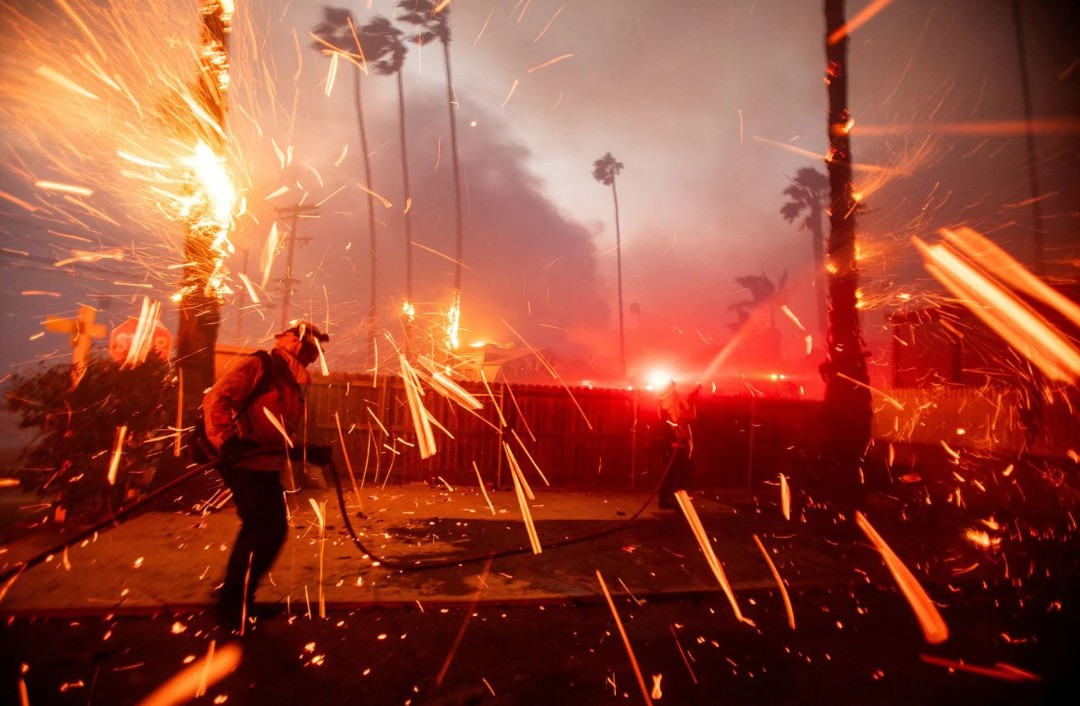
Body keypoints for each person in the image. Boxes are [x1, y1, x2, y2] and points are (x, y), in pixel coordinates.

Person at [203, 321, 332, 630]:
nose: (316, 358)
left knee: (266, 531)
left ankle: (237, 600)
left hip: (264, 465)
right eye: (313, 351)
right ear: (298, 346)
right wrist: (228, 441)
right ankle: (232, 605)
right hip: (242, 461)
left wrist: (306, 451)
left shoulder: (289, 381)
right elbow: (216, 399)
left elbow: (274, 435)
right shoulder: (260, 367)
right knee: (263, 530)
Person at [655, 381, 700, 510]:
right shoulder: (666, 409)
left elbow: (690, 417)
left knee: (674, 476)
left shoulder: (675, 404)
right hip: (673, 449)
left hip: (679, 447)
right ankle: (674, 503)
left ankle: (667, 501)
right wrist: (672, 442)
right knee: (677, 477)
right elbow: (667, 427)